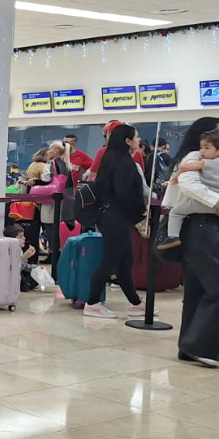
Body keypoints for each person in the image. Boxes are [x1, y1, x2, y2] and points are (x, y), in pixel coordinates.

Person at [169, 118, 219, 367]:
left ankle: (190, 345)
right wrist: (218, 203)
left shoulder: (217, 162)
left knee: (198, 288)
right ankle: (202, 346)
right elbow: (189, 185)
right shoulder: (194, 158)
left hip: (204, 225)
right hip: (200, 225)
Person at [81, 124, 153, 319]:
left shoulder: (111, 158)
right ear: (127, 141)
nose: (139, 140)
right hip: (116, 217)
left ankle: (136, 303)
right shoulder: (123, 162)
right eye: (136, 137)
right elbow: (125, 193)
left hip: (111, 215)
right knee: (110, 261)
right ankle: (93, 302)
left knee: (125, 260)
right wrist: (140, 210)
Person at [160, 128, 219, 251]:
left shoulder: (205, 162)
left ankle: (173, 237)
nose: (202, 151)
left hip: (201, 202)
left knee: (176, 212)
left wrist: (177, 174)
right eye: (201, 147)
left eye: (206, 148)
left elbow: (186, 167)